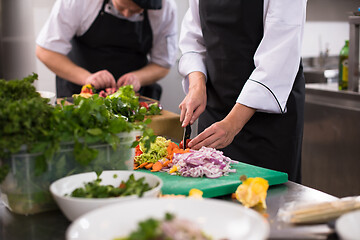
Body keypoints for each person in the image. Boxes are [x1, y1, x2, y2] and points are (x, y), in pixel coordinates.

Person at [178, 0, 307, 183]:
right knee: (210, 195)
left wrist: (232, 124)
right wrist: (197, 86)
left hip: (267, 122)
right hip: (216, 107)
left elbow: (277, 59)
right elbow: (193, 40)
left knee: (265, 200)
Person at [36, 0, 177, 100]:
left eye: (135, 11)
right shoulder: (79, 2)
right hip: (78, 94)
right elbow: (46, 51)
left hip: (131, 102)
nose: (127, 15)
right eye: (121, 7)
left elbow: (162, 64)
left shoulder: (165, 8)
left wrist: (138, 77)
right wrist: (87, 78)